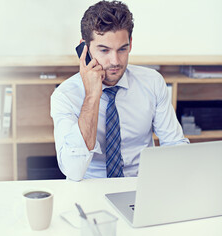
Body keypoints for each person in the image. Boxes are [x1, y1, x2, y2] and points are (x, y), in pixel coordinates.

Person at [50, 0, 189, 181]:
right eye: (104, 50)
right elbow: (74, 171)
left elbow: (174, 144)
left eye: (122, 49)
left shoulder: (152, 83)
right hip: (90, 187)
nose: (115, 61)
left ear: (130, 44)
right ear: (85, 48)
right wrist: (92, 96)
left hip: (141, 185)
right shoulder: (65, 96)